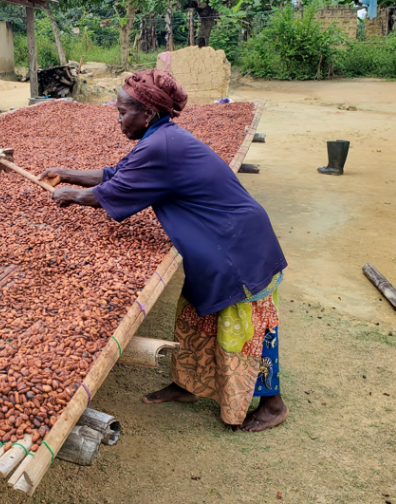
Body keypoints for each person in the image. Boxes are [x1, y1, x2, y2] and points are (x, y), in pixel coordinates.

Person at [38, 69, 289, 432]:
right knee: (198, 314)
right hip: (215, 243)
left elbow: (108, 194)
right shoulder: (160, 138)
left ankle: (273, 404)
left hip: (238, 246)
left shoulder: (161, 146)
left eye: (123, 112)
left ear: (149, 114)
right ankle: (189, 384)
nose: (118, 119)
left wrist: (71, 195)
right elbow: (117, 174)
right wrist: (67, 173)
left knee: (248, 329)